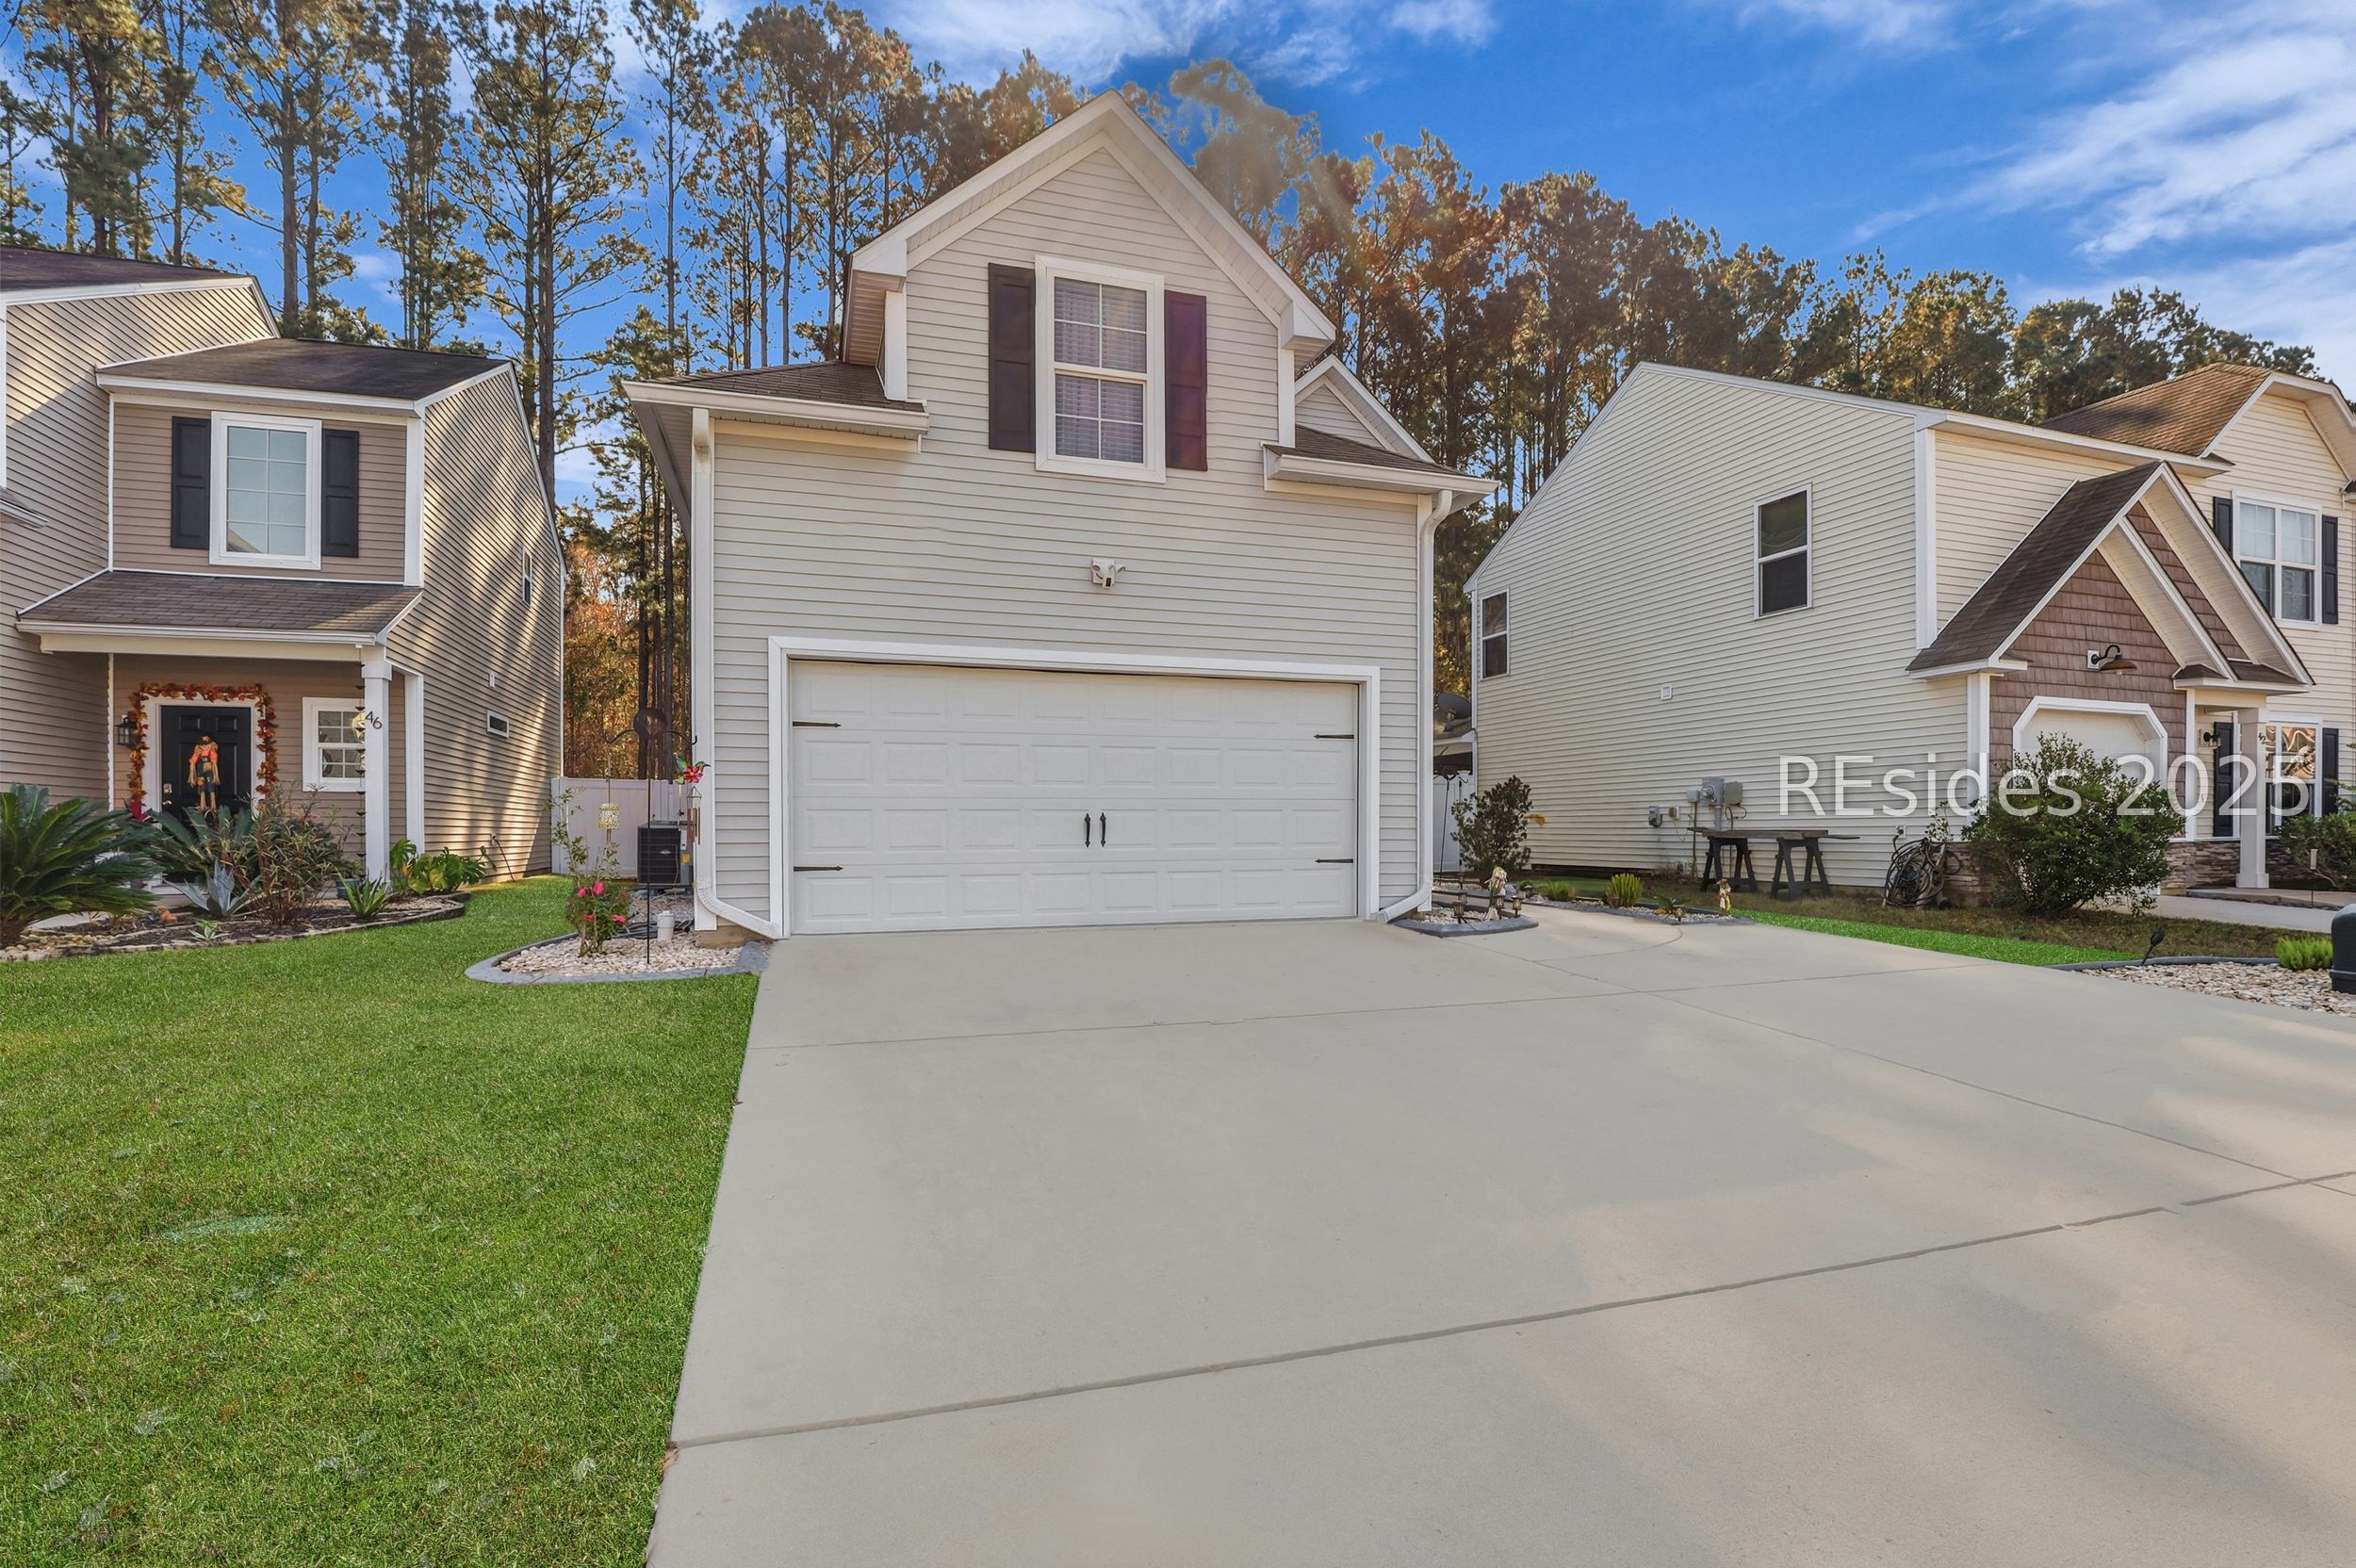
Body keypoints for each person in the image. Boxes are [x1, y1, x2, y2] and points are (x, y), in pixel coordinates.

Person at [188, 732, 221, 814]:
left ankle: (213, 805)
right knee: (201, 785)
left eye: (207, 744)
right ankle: (202, 804)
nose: (205, 746)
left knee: (211, 785)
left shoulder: (212, 751)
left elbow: (214, 759)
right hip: (201, 769)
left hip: (210, 769)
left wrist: (214, 766)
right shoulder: (198, 752)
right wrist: (192, 766)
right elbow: (193, 759)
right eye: (203, 745)